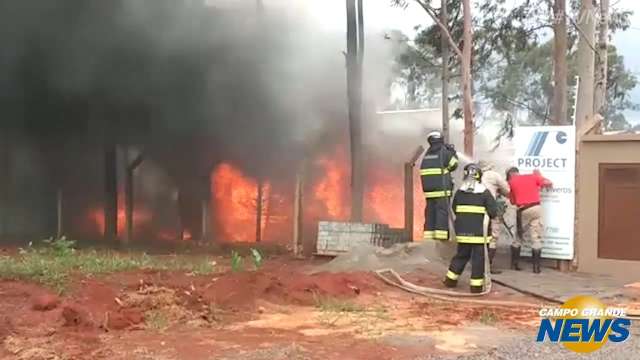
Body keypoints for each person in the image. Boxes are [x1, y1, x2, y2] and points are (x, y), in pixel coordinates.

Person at [443, 163, 498, 293]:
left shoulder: (460, 192)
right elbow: (493, 212)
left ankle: (450, 280)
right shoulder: (484, 192)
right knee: (478, 259)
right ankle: (476, 287)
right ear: (479, 176)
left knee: (461, 255)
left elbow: (454, 208)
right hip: (479, 233)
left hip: (462, 231)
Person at [506, 167, 553, 274]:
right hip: (536, 208)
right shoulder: (533, 176)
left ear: (510, 175)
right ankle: (536, 268)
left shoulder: (511, 181)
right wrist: (539, 175)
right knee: (536, 237)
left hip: (523, 210)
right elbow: (547, 182)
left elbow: (513, 201)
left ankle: (514, 265)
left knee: (518, 237)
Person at [419, 130, 459, 241]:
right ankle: (441, 239)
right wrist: (452, 151)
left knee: (430, 213)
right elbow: (454, 164)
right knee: (441, 213)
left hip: (429, 191)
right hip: (442, 190)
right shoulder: (443, 152)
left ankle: (429, 238)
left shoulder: (427, 154)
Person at [478, 160, 510, 274]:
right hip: (489, 209)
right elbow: (507, 190)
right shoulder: (493, 175)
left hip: (474, 209)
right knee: (493, 237)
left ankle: (477, 264)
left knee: (478, 237)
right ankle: (487, 266)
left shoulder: (475, 175)